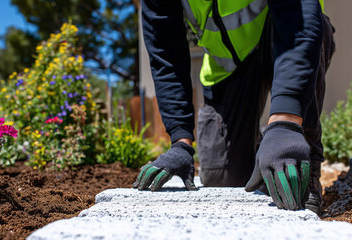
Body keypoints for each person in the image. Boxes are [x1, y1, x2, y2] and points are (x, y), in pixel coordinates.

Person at [132, 0, 335, 216]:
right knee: (222, 178)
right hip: (227, 68)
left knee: (310, 21)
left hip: (284, 37)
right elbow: (166, 58)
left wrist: (285, 124)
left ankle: (301, 161)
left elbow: (298, 19)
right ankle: (262, 150)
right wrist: (180, 141)